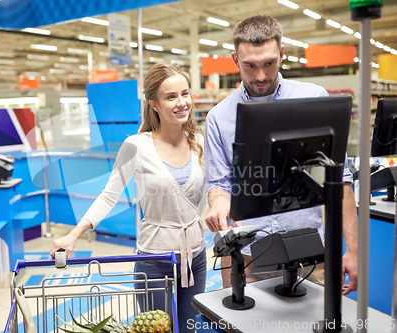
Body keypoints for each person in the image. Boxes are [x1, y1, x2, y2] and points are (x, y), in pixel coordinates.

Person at [204, 15, 358, 295]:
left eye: (269, 63)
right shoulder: (218, 118)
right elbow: (219, 184)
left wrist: (354, 250)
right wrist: (217, 203)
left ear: (282, 54)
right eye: (250, 65)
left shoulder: (315, 100)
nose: (260, 75)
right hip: (247, 258)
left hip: (310, 254)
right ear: (235, 60)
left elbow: (341, 179)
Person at [50, 63, 207, 332]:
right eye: (171, 97)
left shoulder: (200, 143)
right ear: (154, 104)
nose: (182, 103)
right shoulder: (136, 146)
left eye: (185, 93)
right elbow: (108, 197)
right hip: (155, 261)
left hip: (196, 257)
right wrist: (74, 234)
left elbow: (211, 192)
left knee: (191, 328)